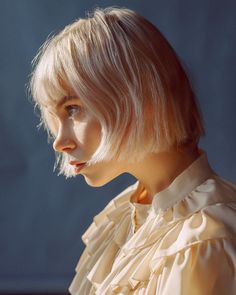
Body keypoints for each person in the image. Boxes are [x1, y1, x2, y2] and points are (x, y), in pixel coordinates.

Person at [28, 6, 236, 295]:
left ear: (136, 98)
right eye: (56, 117)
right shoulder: (125, 218)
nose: (59, 141)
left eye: (73, 109)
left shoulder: (205, 238)